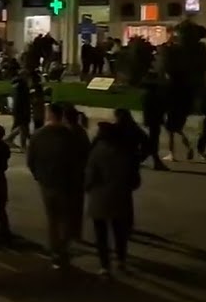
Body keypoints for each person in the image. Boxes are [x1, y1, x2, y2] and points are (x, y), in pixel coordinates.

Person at [26, 103, 86, 269]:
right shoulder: (70, 135)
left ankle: (55, 250)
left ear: (50, 115)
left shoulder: (38, 135)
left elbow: (30, 160)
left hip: (47, 183)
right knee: (65, 218)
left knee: (52, 219)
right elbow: (81, 158)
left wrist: (39, 176)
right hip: (66, 183)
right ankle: (63, 248)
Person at [85, 121, 139, 277]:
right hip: (121, 197)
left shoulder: (96, 152)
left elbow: (90, 176)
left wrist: (88, 188)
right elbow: (134, 180)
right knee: (120, 232)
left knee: (101, 234)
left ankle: (104, 265)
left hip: (99, 198)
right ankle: (121, 260)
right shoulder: (126, 152)